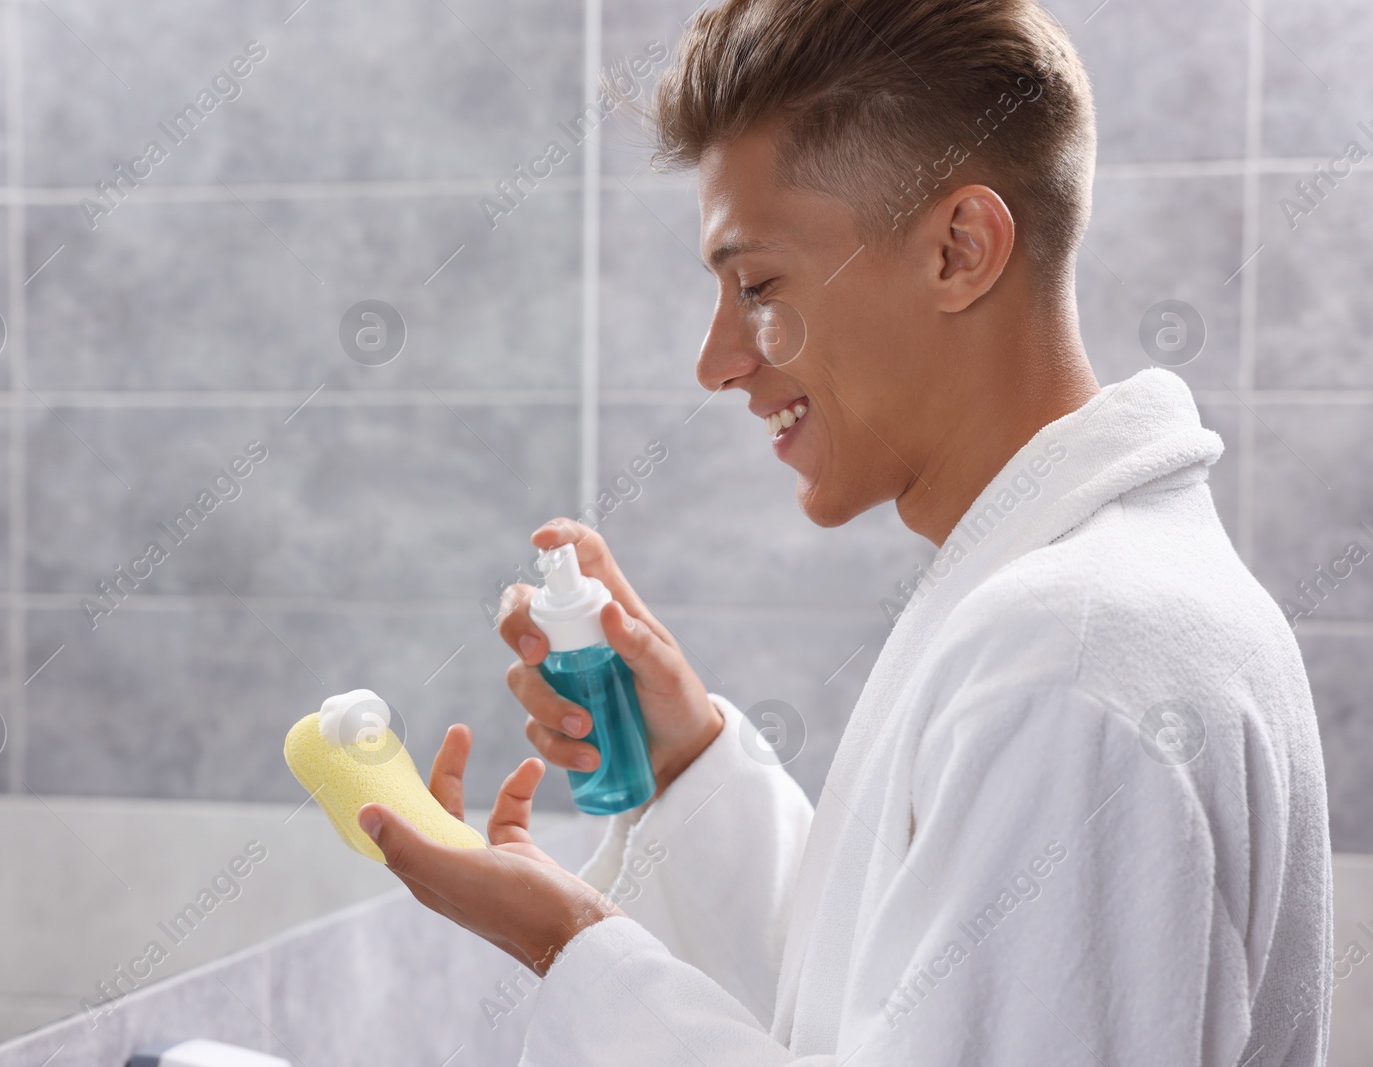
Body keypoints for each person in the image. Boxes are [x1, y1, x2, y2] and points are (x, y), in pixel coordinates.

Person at [353, 0, 1334, 1062]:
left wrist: (566, 941)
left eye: (758, 286)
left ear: (960, 249)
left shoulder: (1070, 655)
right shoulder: (1066, 602)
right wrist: (688, 763)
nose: (716, 359)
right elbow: (880, 1003)